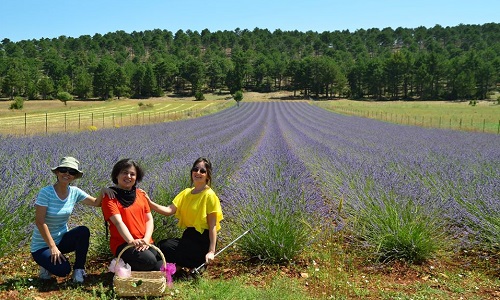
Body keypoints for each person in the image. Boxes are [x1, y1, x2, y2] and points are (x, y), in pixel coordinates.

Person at [30, 156, 105, 283]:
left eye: (72, 172)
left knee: (83, 231)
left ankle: (79, 270)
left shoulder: (75, 192)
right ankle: (45, 265)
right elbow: (39, 221)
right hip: (42, 246)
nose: (67, 174)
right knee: (63, 271)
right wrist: (52, 247)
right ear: (57, 172)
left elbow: (97, 203)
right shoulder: (46, 192)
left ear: (75, 176)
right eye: (64, 170)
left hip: (61, 240)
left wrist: (105, 191)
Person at [149, 157, 223, 274]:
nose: (198, 173)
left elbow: (212, 226)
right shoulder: (186, 193)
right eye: (195, 169)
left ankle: (197, 264)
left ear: (207, 176)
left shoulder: (210, 195)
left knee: (168, 248)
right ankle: (183, 267)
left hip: (203, 240)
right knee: (163, 246)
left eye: (202, 171)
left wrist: (211, 251)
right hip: (189, 236)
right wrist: (149, 203)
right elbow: (169, 210)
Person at [101, 158, 164, 271]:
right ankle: (122, 266)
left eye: (132, 174)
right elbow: (118, 222)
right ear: (117, 175)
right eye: (125, 173)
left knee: (160, 265)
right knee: (149, 261)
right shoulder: (110, 197)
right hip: (124, 243)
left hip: (144, 241)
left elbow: (149, 219)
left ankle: (130, 270)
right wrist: (131, 241)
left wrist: (146, 239)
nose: (129, 176)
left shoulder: (141, 194)